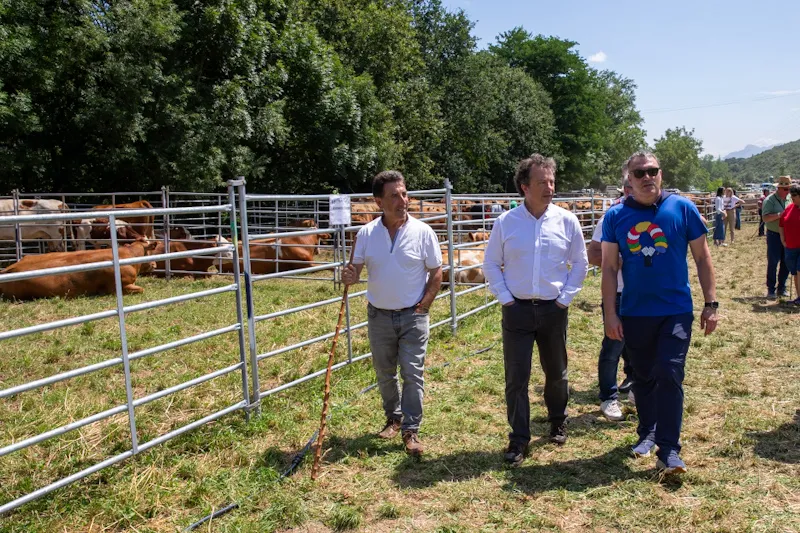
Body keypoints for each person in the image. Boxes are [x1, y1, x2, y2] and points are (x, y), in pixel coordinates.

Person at [601, 151, 718, 475]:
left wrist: (711, 304)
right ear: (630, 179)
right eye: (640, 173)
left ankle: (669, 450)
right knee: (643, 377)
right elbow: (610, 268)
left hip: (675, 310)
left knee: (669, 372)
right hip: (635, 312)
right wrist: (611, 314)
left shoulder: (682, 208)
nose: (647, 177)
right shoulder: (616, 216)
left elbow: (703, 257)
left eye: (652, 171)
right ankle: (647, 432)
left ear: (661, 174)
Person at [484, 154, 588, 466]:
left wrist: (565, 299)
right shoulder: (506, 223)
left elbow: (580, 262)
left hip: (552, 309)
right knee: (516, 376)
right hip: (516, 310)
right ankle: (518, 438)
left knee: (556, 371)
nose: (550, 187)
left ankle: (558, 419)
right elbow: (490, 263)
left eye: (552, 181)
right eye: (543, 182)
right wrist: (505, 298)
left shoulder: (566, 221)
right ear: (525, 187)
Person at [341, 170, 443, 457]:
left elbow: (437, 271)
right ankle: (394, 418)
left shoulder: (423, 232)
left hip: (413, 315)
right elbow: (355, 271)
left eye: (404, 193)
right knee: (385, 373)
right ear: (378, 202)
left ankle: (411, 429)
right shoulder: (366, 234)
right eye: (394, 196)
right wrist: (348, 275)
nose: (402, 200)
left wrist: (425, 304)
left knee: (412, 372)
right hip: (379, 316)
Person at [588, 173, 634, 422]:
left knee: (642, 344)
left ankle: (638, 388)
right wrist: (624, 262)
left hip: (645, 292)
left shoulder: (654, 215)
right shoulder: (612, 216)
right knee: (613, 346)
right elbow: (593, 254)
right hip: (617, 291)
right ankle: (608, 396)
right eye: (630, 185)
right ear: (626, 189)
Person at [762, 176, 792, 299]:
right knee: (773, 262)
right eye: (785, 189)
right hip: (774, 234)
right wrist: (780, 215)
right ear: (779, 188)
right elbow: (765, 218)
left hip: (787, 235)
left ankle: (782, 288)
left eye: (788, 189)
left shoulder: (790, 199)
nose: (787, 191)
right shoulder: (769, 200)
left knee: (786, 262)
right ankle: (771, 289)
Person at [778, 184, 800, 305]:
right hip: (790, 247)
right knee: (795, 273)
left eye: (794, 196)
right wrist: (782, 238)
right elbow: (781, 224)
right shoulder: (789, 208)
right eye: (791, 195)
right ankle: (799, 297)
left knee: (799, 270)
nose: (792, 198)